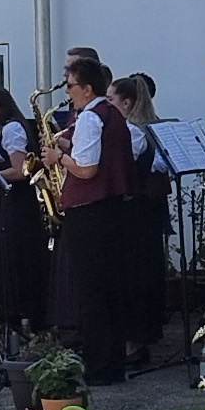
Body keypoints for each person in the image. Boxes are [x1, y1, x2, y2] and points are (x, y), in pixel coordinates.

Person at [44, 57, 135, 386]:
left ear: (86, 88)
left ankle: (99, 368)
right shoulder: (108, 114)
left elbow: (86, 170)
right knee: (108, 292)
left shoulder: (89, 119)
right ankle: (112, 365)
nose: (68, 92)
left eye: (70, 86)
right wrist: (69, 145)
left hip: (90, 212)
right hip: (109, 211)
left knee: (92, 294)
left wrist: (58, 157)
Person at [110, 75, 176, 364]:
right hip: (144, 210)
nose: (108, 106)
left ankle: (136, 343)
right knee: (141, 273)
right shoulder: (141, 128)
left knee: (136, 276)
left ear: (126, 103)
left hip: (136, 212)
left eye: (111, 101)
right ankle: (138, 338)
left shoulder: (133, 132)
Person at [0, 87, 48, 336]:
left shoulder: (12, 129)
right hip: (11, 200)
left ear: (2, 107)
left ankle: (23, 318)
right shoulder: (5, 129)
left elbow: (20, 170)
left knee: (16, 257)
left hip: (17, 201)